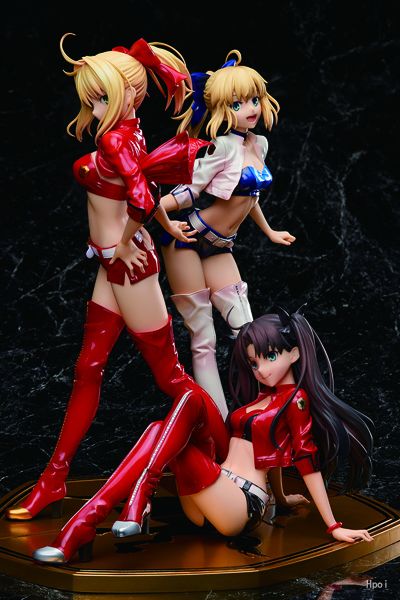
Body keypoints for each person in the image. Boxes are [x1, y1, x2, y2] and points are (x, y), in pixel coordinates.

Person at [6, 34, 211, 522]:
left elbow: (138, 198)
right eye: (92, 99)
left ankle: (219, 452)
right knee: (88, 368)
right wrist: (161, 228)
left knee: (172, 378)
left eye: (101, 98)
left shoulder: (116, 138)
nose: (94, 109)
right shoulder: (130, 131)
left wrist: (124, 243)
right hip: (112, 266)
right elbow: (147, 187)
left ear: (130, 95)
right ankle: (52, 480)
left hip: (128, 268)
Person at [33, 308, 373, 564]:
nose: (261, 370)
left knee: (165, 425)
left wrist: (333, 526)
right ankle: (122, 506)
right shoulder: (260, 399)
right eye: (254, 363)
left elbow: (305, 458)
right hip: (211, 489)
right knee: (173, 415)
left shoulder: (297, 401)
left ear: (295, 353)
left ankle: (90, 523)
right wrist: (282, 500)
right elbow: (268, 454)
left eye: (270, 357)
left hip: (239, 506)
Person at [159, 51, 296, 418]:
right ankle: (216, 422)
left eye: (253, 100)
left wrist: (269, 231)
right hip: (187, 240)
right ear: (221, 109)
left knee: (247, 331)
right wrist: (158, 214)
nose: (249, 109)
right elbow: (189, 191)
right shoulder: (221, 147)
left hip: (221, 246)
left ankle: (258, 413)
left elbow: (249, 200)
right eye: (237, 104)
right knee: (204, 338)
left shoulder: (259, 144)